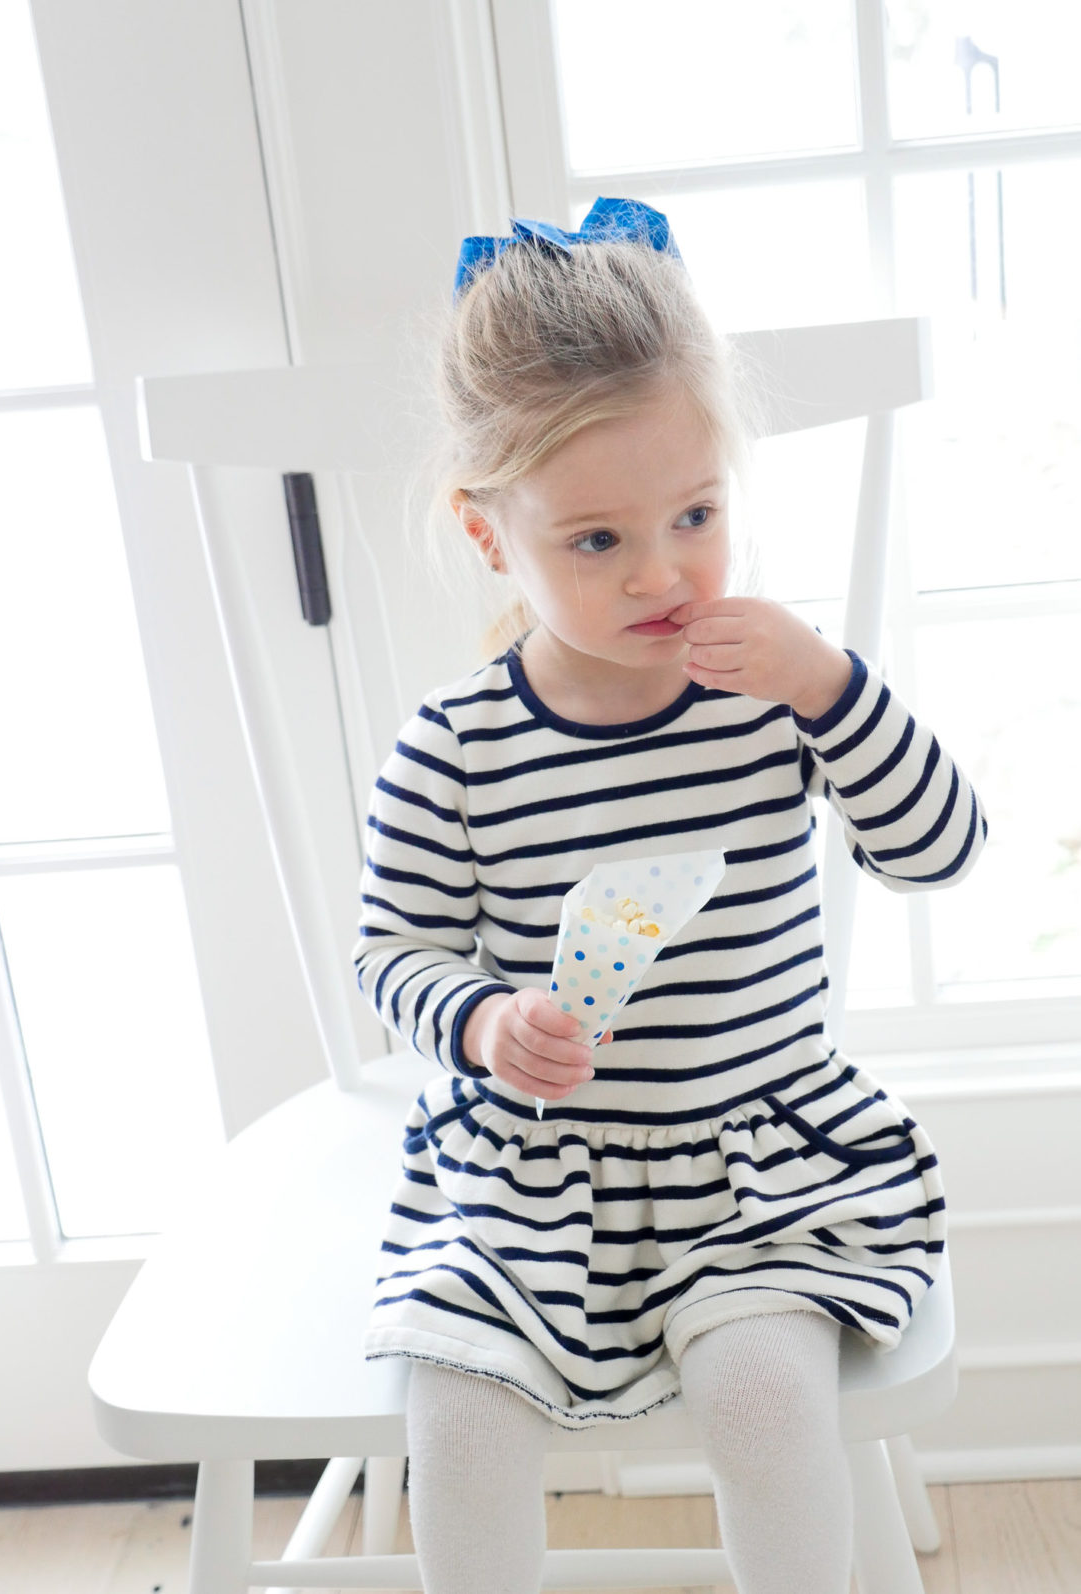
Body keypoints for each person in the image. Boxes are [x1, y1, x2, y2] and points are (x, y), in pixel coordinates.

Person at [353, 197, 986, 1594]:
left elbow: (942, 847)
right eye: (596, 541)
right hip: (530, 1176)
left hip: (756, 1164)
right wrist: (476, 1018)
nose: (663, 570)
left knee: (768, 1400)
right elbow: (389, 949)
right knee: (452, 1417)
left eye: (696, 513)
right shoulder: (456, 745)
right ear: (486, 534)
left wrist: (832, 685)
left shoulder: (771, 696)